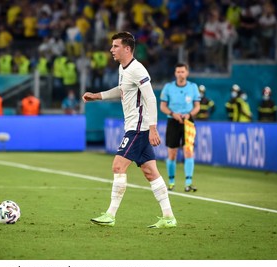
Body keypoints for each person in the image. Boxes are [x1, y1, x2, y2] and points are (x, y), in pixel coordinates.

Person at [82, 31, 176, 229]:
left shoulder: (138, 70)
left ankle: (110, 215)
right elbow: (122, 90)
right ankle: (168, 217)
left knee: (118, 166)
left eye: (115, 46)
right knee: (151, 172)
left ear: (127, 48)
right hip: (135, 127)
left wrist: (153, 128)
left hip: (139, 129)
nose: (111, 50)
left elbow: (151, 98)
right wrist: (98, 96)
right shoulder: (122, 68)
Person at [160, 62, 201, 192]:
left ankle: (188, 182)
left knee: (188, 150)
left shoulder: (193, 87)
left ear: (187, 73)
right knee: (172, 153)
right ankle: (171, 182)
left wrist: (189, 114)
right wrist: (172, 113)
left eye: (182, 71)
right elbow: (163, 106)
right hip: (173, 121)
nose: (180, 74)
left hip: (188, 122)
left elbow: (197, 106)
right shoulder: (168, 87)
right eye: (178, 72)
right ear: (175, 73)